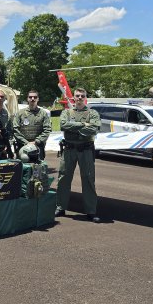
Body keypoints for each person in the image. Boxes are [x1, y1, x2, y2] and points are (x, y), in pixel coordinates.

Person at [55, 87, 103, 223]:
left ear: (85, 98)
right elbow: (63, 125)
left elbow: (94, 128)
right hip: (69, 149)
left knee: (88, 179)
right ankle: (60, 207)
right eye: (77, 96)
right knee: (63, 178)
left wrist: (74, 127)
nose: (80, 98)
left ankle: (91, 210)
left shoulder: (92, 113)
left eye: (82, 96)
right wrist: (83, 125)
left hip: (85, 150)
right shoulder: (66, 112)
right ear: (74, 98)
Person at [12, 89, 51, 162]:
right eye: (30, 97)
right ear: (27, 99)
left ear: (38, 99)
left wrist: (36, 141)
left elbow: (47, 130)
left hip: (37, 146)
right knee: (23, 167)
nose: (32, 99)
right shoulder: (20, 113)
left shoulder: (43, 114)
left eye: (35, 97)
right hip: (23, 146)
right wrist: (26, 142)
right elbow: (15, 130)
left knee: (38, 168)